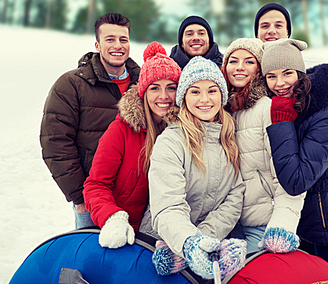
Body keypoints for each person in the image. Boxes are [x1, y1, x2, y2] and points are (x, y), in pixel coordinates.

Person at [262, 38, 328, 283]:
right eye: (271, 76)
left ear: (301, 73)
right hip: (305, 226)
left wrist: (282, 122)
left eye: (287, 73)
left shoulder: (327, 116)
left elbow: (296, 180)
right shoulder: (296, 105)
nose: (280, 83)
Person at [148, 56, 246, 280]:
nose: (204, 99)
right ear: (183, 98)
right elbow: (167, 205)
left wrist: (203, 239)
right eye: (195, 91)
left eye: (212, 90)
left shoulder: (228, 139)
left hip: (207, 245)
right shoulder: (171, 141)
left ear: (222, 95)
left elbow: (234, 196)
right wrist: (188, 242)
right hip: (164, 246)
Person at [40, 13, 141, 229]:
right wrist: (79, 196)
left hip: (138, 198)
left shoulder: (143, 84)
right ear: (97, 44)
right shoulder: (71, 85)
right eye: (110, 39)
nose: (118, 45)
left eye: (123, 39)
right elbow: (55, 143)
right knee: (92, 257)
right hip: (92, 199)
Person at [82, 42, 181, 248]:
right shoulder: (122, 130)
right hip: (125, 233)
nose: (163, 96)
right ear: (143, 92)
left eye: (171, 88)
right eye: (155, 88)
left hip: (167, 234)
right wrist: (113, 217)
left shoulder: (184, 132)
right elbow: (96, 184)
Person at [221, 38, 305, 254]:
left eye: (249, 61)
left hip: (263, 223)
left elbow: (287, 173)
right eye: (233, 61)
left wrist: (282, 224)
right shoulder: (218, 109)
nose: (240, 67)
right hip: (228, 222)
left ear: (259, 70)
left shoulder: (268, 109)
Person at [254, 3, 328, 127]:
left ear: (287, 32)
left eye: (278, 25)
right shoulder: (250, 69)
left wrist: (320, 137)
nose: (271, 31)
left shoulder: (314, 64)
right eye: (265, 26)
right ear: (257, 34)